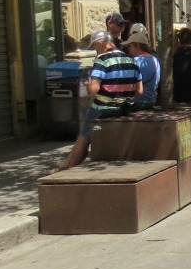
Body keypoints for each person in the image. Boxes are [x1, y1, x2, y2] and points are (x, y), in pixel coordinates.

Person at [53, 31, 142, 171]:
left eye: (94, 45)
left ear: (100, 43)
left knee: (83, 137)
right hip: (124, 108)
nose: (95, 49)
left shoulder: (102, 60)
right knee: (82, 134)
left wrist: (88, 86)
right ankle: (64, 164)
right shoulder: (131, 60)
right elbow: (139, 91)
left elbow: (94, 89)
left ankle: (67, 167)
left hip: (103, 108)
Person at [122, 31, 159, 109]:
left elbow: (128, 83)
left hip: (137, 102)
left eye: (129, 46)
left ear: (137, 46)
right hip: (152, 101)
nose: (128, 49)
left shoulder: (135, 61)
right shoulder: (155, 60)